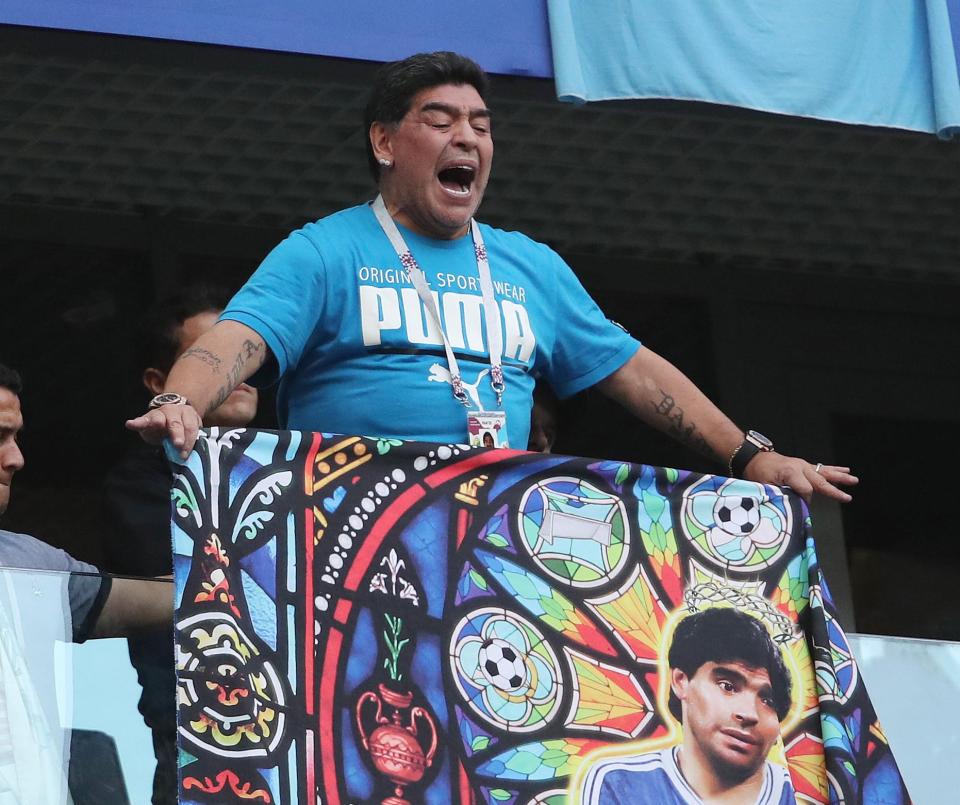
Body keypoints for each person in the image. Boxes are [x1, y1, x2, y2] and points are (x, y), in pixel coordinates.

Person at [127, 51, 856, 505]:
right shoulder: (324, 251)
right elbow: (236, 341)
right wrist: (181, 400)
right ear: (384, 141)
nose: (467, 138)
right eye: (440, 120)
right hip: (353, 533)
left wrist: (752, 456)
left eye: (480, 124)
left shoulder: (529, 265)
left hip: (494, 538)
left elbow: (635, 373)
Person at [101, 286, 258, 805]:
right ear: (157, 382)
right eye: (208, 358)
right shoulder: (136, 488)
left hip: (285, 729)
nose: (236, 374)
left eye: (239, 359)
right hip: (184, 735)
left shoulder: (287, 473)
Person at [0, 362, 171, 803]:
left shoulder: (28, 563)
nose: (16, 458)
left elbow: (180, 597)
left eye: (15, 437)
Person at [580, 607, 797, 804]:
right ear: (681, 681)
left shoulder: (795, 791)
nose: (749, 713)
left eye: (768, 701)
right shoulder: (621, 784)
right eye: (727, 686)